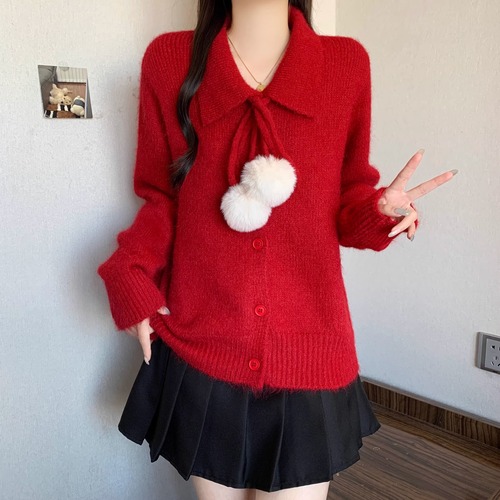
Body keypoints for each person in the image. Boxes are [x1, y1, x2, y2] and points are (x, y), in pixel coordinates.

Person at [97, 0, 457, 498]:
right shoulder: (170, 60)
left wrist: (379, 210)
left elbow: (348, 202)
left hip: (310, 351)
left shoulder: (345, 65)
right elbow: (162, 200)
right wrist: (130, 274)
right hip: (204, 348)